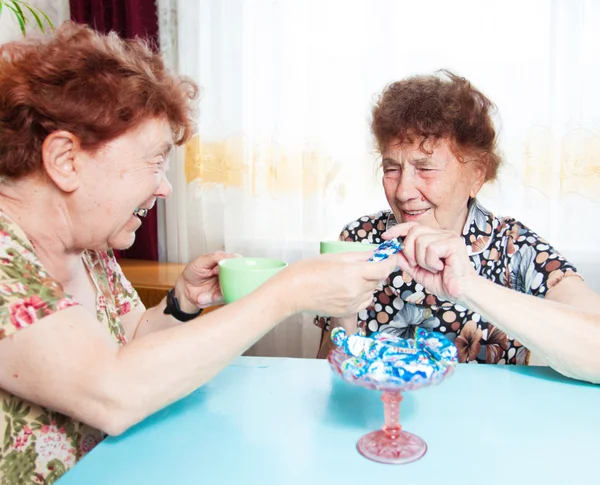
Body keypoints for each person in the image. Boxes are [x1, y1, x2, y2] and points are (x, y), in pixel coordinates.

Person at [0, 23, 401, 483]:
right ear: (66, 160)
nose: (166, 187)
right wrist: (285, 294)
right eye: (154, 161)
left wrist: (182, 302)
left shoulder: (90, 248)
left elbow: (131, 338)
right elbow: (112, 391)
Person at [316, 70, 600, 384]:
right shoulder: (358, 238)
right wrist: (343, 318)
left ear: (477, 175)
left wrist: (469, 288)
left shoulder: (515, 247)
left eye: (425, 168)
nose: (402, 191)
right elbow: (325, 378)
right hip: (380, 426)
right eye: (391, 168)